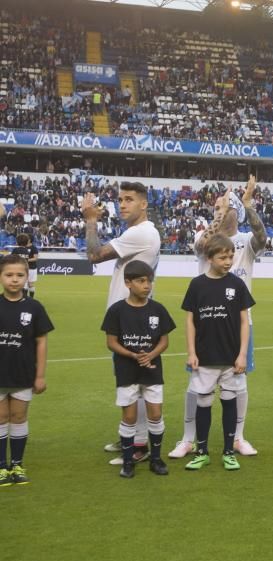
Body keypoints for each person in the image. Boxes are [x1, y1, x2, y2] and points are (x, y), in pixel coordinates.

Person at [171, 176, 267, 459]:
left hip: (239, 325)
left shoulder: (246, 241)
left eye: (224, 207)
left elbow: (262, 237)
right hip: (205, 327)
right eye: (215, 208)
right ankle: (189, 439)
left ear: (236, 211)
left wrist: (246, 204)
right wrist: (220, 213)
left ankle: (237, 437)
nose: (219, 211)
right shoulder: (206, 238)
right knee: (196, 384)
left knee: (240, 381)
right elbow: (201, 247)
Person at [83, 183, 161, 464]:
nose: (123, 204)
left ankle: (138, 445)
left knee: (134, 383)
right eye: (121, 199)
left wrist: (91, 219)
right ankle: (133, 437)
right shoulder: (138, 232)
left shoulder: (141, 232)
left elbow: (94, 255)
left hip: (134, 317)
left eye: (129, 199)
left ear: (144, 204)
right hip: (130, 314)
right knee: (130, 382)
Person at [180, 235, 255, 471]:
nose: (228, 261)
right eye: (222, 257)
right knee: (203, 401)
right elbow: (190, 320)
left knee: (229, 401)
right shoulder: (197, 285)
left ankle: (228, 451)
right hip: (204, 357)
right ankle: (201, 451)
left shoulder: (237, 284)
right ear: (209, 258)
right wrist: (191, 352)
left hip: (231, 358)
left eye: (231, 256)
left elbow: (245, 322)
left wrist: (242, 354)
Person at [100, 260, 175, 478]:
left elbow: (164, 340)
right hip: (127, 371)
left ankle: (156, 458)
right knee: (129, 417)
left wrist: (151, 354)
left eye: (149, 281)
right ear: (128, 283)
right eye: (141, 281)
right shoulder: (117, 310)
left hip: (152, 370)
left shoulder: (158, 309)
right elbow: (111, 342)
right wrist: (133, 355)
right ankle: (128, 461)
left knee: (156, 414)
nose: (147, 285)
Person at [0, 254, 53, 486]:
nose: (14, 280)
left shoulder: (34, 307)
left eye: (20, 275)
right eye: (9, 275)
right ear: (1, 277)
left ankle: (17, 464)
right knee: (1, 418)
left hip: (23, 374)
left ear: (27, 277)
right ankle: (2, 466)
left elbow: (41, 341)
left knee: (19, 417)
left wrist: (40, 375)